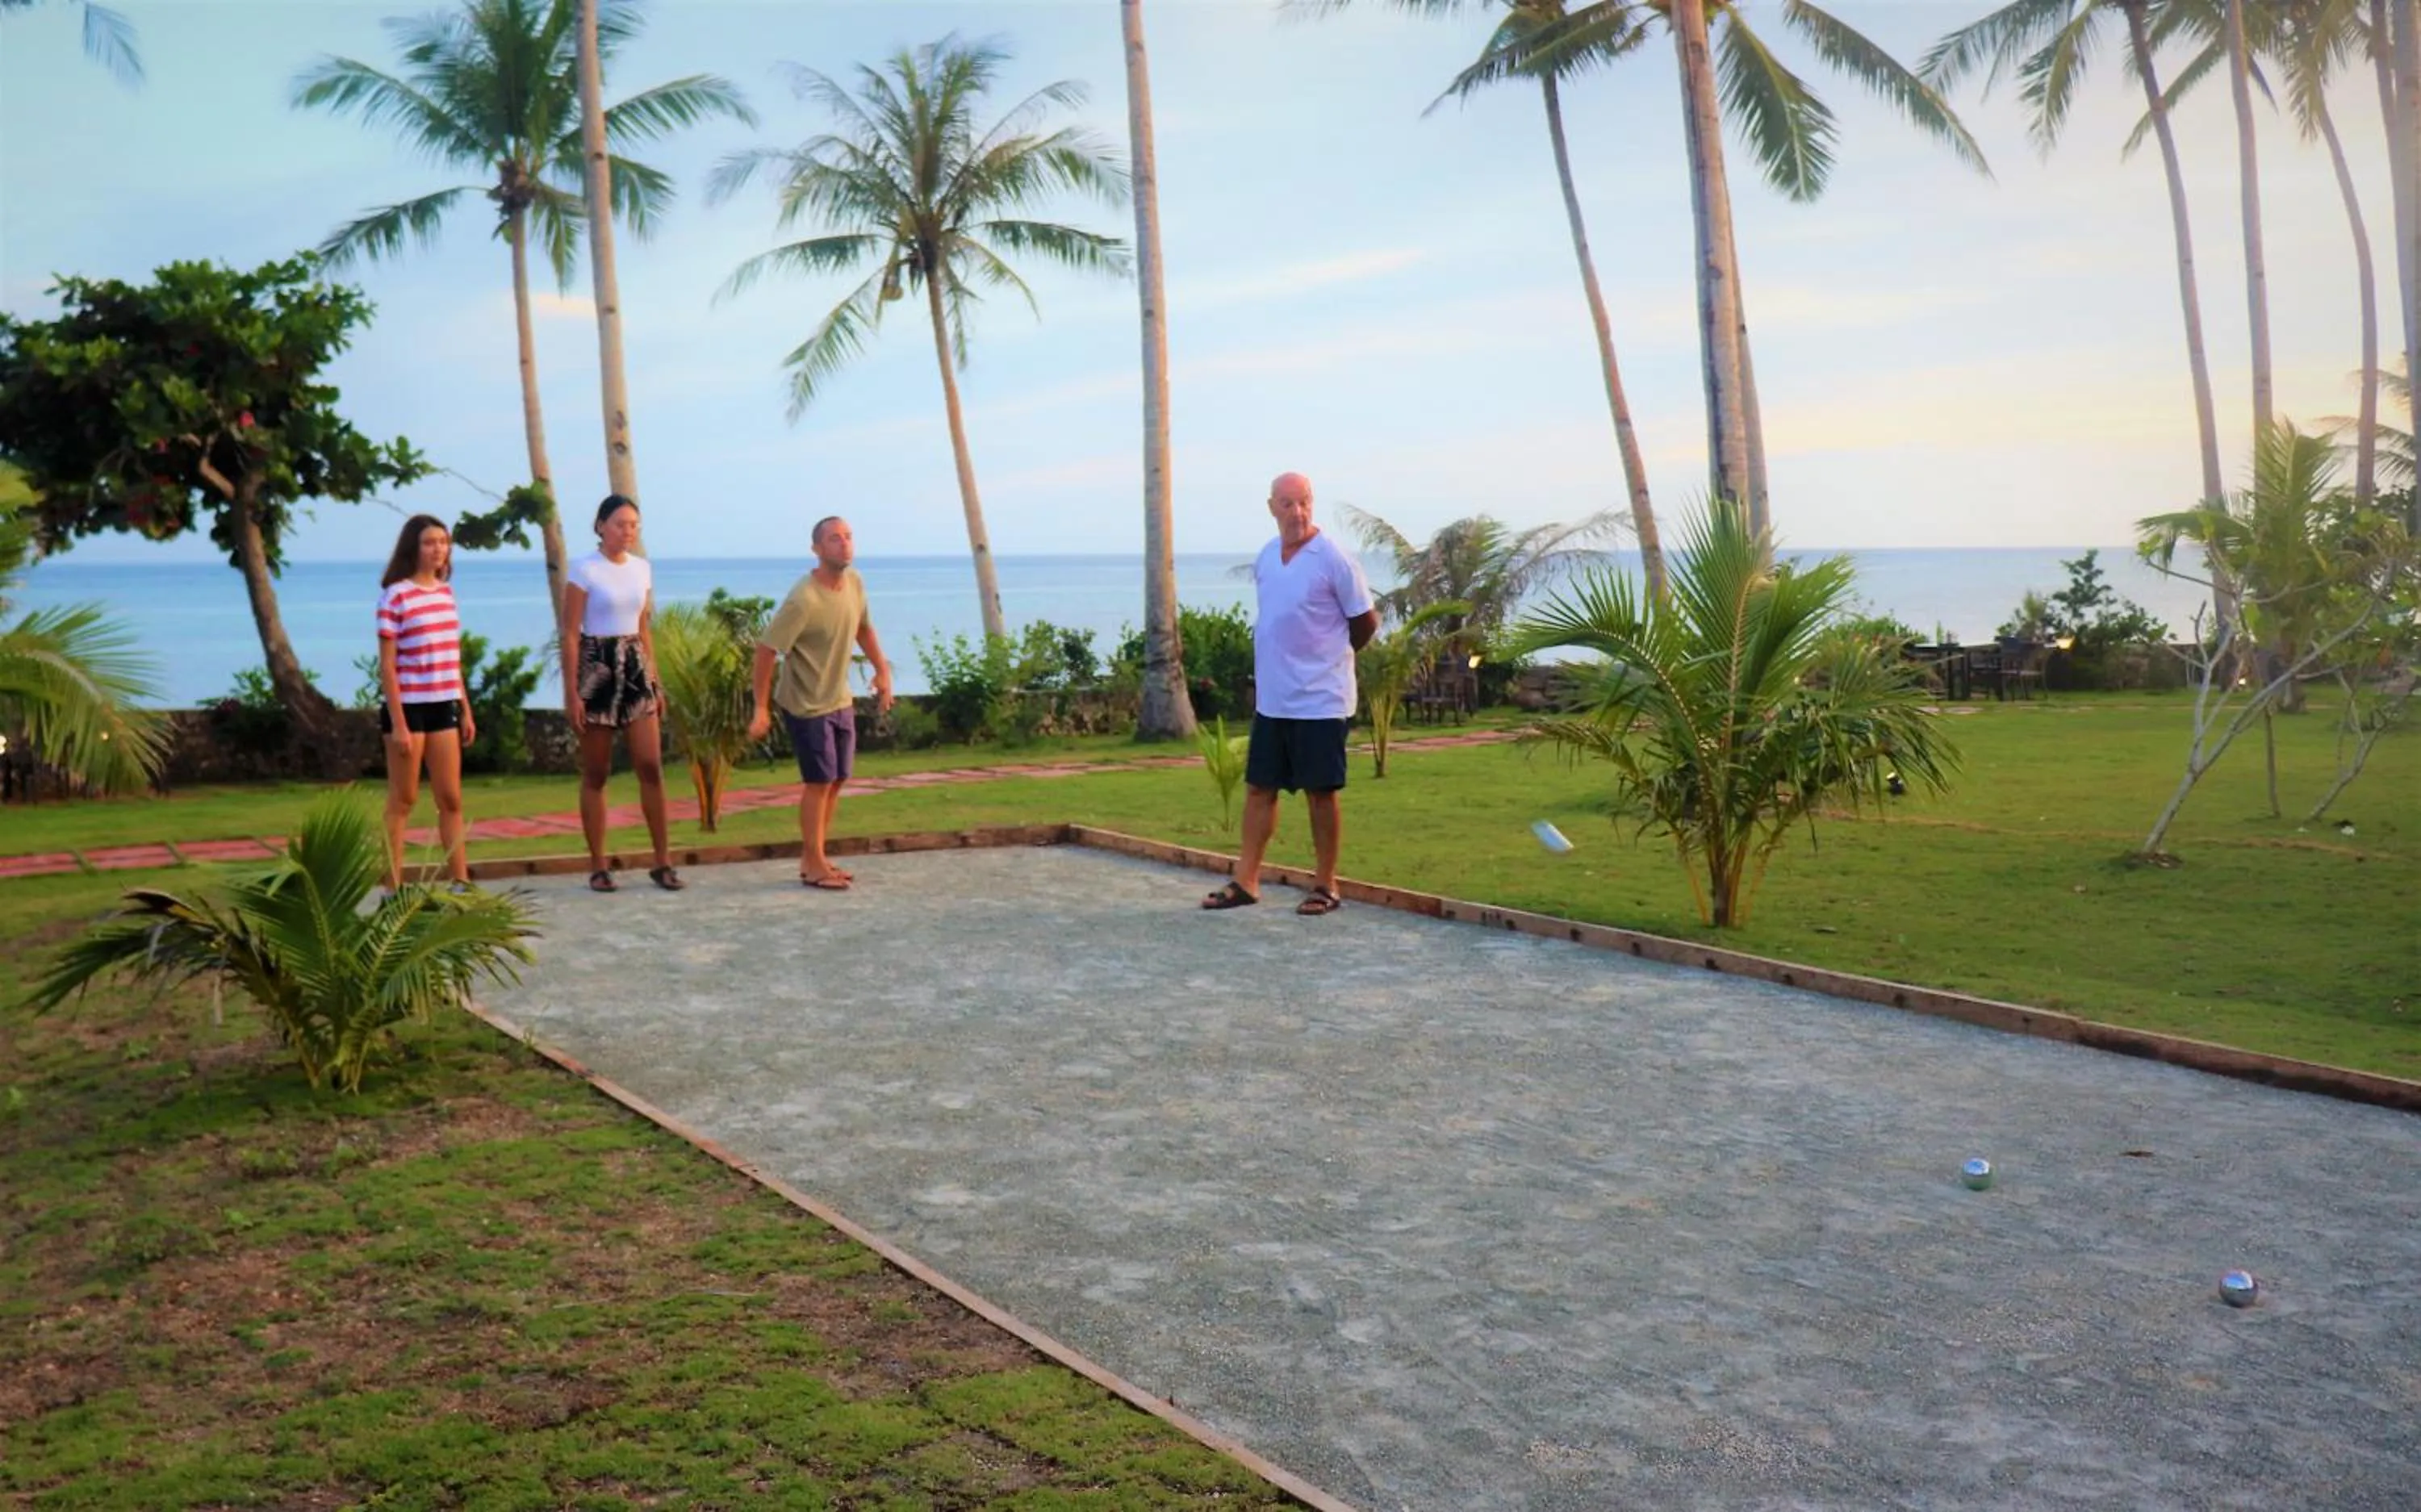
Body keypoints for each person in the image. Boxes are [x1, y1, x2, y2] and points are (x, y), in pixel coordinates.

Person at [1201, 470, 1378, 916]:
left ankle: (1326, 885)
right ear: (1271, 507)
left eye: (1305, 503)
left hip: (1320, 700)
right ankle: (1246, 880)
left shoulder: (1333, 558)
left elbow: (1365, 622)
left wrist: (1328, 662)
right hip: (1274, 700)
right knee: (1260, 788)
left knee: (1321, 791)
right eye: (1288, 504)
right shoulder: (1266, 557)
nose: (1297, 513)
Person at [748, 516, 894, 889]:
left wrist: (882, 671)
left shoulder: (855, 583)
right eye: (834, 539)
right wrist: (761, 708)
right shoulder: (804, 599)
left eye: (848, 537)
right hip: (805, 702)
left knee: (838, 778)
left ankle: (816, 857)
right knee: (819, 780)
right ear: (817, 549)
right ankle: (814, 864)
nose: (844, 544)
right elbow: (766, 651)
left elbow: (863, 627)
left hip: (838, 698)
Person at [561, 494, 683, 892]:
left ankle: (662, 861)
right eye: (619, 524)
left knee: (650, 765)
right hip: (597, 665)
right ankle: (598, 865)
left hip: (634, 663)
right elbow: (570, 632)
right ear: (600, 526)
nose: (627, 532)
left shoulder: (641, 569)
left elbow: (644, 627)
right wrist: (573, 693)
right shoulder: (584, 569)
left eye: (634, 525)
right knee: (597, 772)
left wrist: (655, 679)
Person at [375, 514, 476, 892]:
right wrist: (400, 724)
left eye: (443, 542)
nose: (439, 549)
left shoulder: (446, 594)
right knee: (403, 799)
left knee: (450, 798)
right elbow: (387, 665)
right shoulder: (396, 595)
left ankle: (461, 882)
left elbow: (452, 657)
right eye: (430, 542)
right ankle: (392, 888)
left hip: (443, 705)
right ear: (413, 548)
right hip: (409, 708)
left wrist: (464, 707)